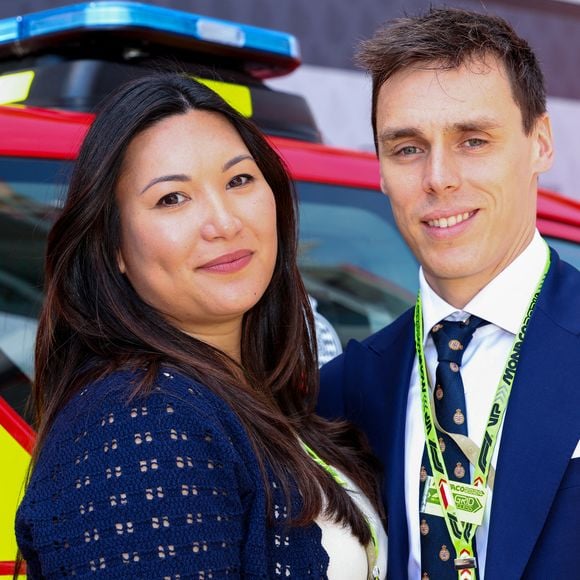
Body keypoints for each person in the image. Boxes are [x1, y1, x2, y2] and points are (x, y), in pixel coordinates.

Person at [15, 73, 387, 578]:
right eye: (172, 198)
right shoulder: (140, 422)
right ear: (115, 247)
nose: (224, 222)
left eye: (239, 180)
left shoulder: (260, 398)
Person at [318, 7, 580, 580]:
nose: (439, 178)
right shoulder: (339, 393)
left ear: (540, 142)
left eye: (474, 140)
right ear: (382, 169)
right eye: (408, 147)